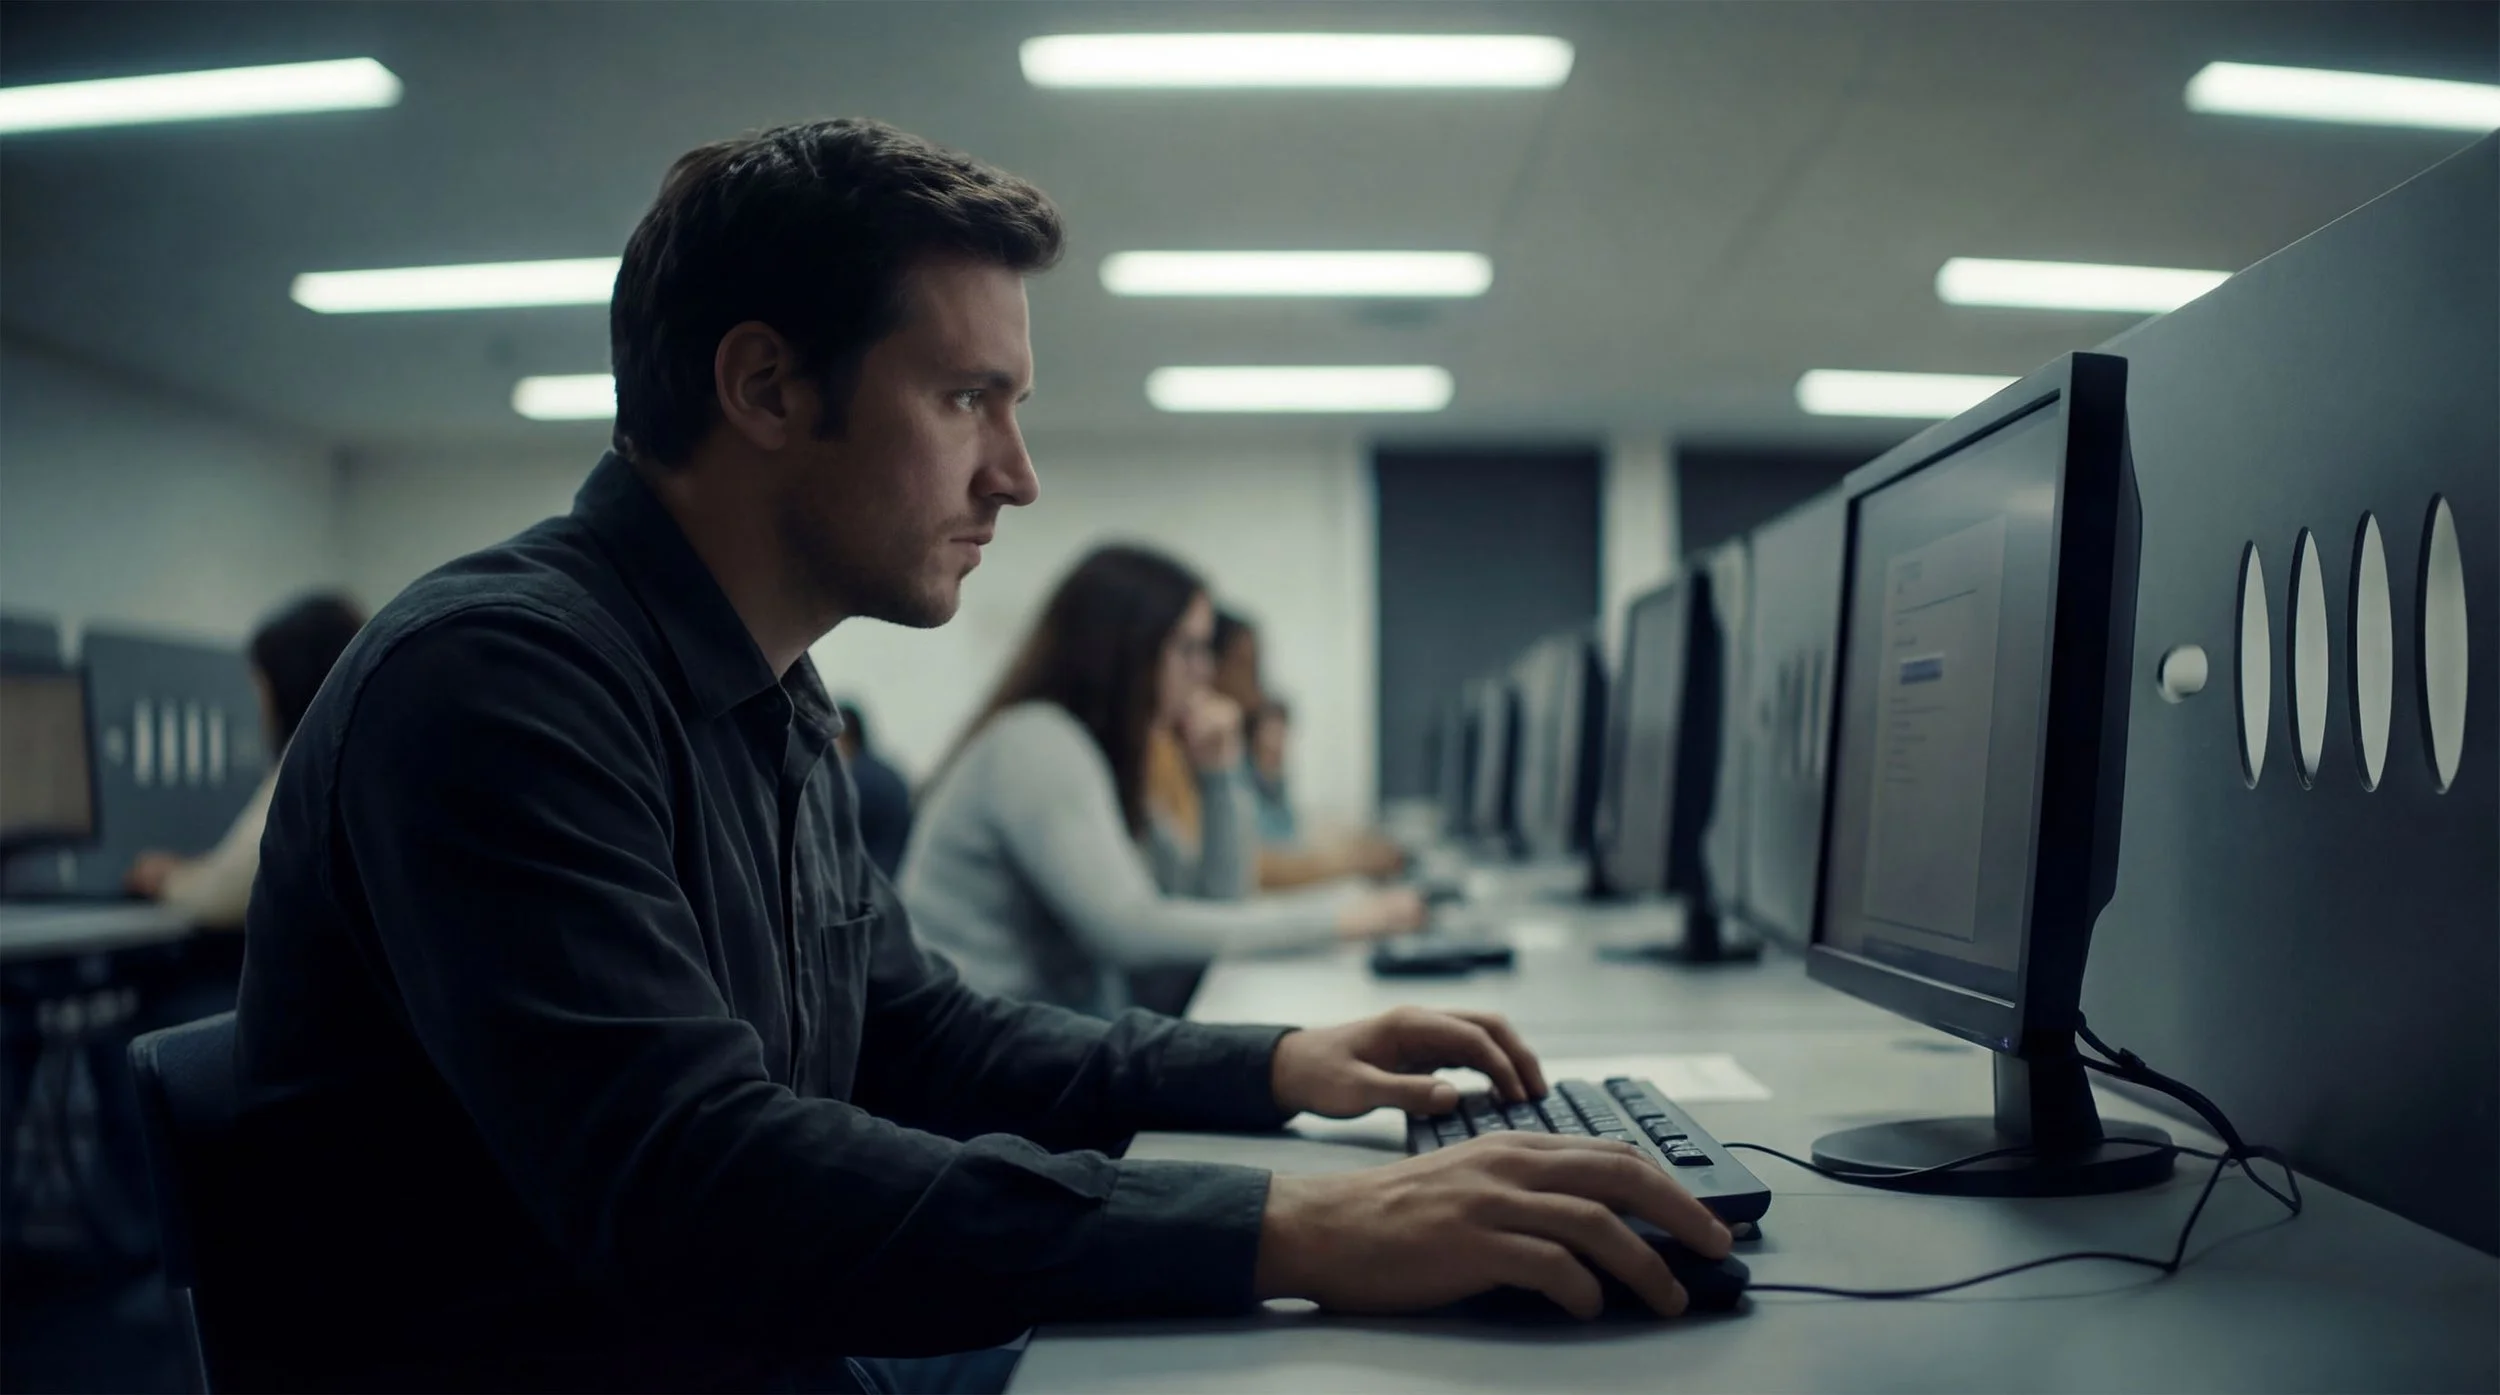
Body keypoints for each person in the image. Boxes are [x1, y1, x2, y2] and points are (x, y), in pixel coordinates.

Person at [229, 118, 1733, 1394]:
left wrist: (1280, 1066)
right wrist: (1296, 1225)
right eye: (967, 400)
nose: (1016, 474)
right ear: (764, 387)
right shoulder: (497, 681)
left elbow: (919, 1039)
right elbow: (695, 1183)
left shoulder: (773, 695)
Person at [904, 547, 1426, 1017]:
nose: (1205, 672)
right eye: (1189, 649)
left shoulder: (1109, 756)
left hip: (1049, 1050)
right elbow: (1128, 929)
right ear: (1126, 649)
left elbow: (1218, 911)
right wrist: (1337, 919)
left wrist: (1219, 775)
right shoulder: (1037, 743)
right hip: (985, 1081)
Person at [124, 592, 365, 925]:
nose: (260, 709)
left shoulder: (311, 765)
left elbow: (233, 890)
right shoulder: (359, 753)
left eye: (261, 688)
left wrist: (168, 881)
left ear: (285, 683)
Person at [1207, 610, 1408, 890]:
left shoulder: (1238, 757)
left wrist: (1351, 845)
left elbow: (1285, 833)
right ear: (1212, 669)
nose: (1257, 684)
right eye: (1245, 665)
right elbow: (1251, 865)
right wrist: (1350, 861)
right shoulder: (1207, 757)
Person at [832, 699, 913, 878]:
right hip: (901, 871)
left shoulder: (855, 781)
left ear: (844, 737)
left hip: (874, 876)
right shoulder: (889, 772)